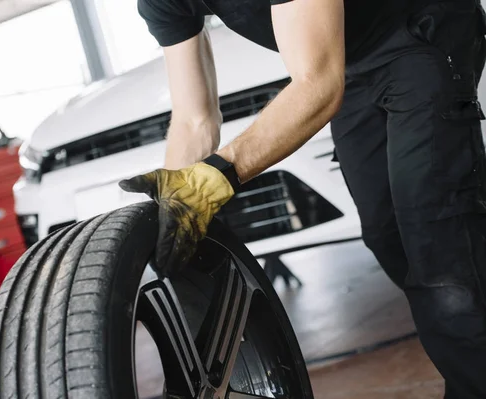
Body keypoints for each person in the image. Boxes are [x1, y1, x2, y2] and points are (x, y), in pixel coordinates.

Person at [118, 0, 486, 397]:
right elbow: (195, 120)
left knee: (438, 245)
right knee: (387, 236)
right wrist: (174, 205)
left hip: (420, 30)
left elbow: (319, 85)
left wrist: (216, 175)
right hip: (351, 60)